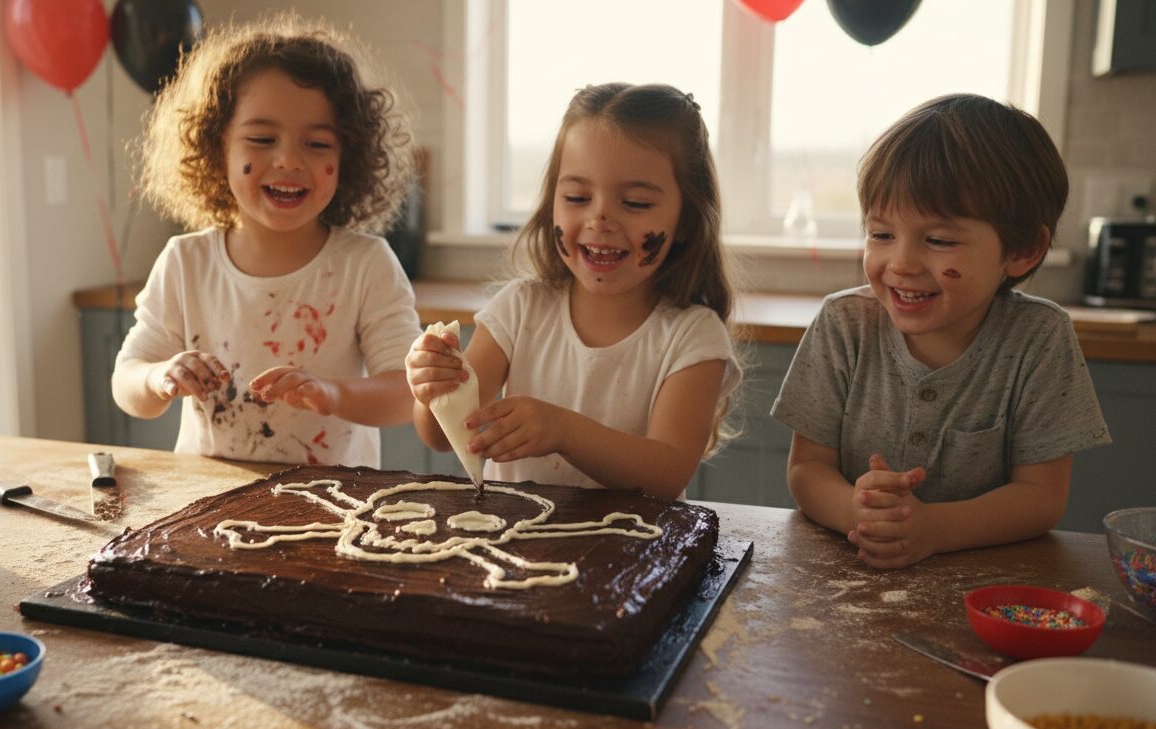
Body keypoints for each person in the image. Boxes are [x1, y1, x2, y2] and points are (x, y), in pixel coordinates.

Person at [771, 93, 1111, 569]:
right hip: (851, 566)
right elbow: (808, 469)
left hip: (983, 582)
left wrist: (934, 529)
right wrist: (863, 513)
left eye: (939, 240)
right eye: (881, 234)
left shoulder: (1039, 338)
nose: (901, 264)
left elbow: (1041, 497)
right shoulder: (844, 323)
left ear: (1023, 251)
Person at [405, 83, 742, 500]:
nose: (600, 217)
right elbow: (443, 437)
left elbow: (667, 473)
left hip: (636, 554)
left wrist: (563, 430)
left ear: (687, 221)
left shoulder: (693, 335)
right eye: (577, 196)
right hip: (516, 549)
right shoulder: (520, 309)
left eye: (635, 202)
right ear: (552, 204)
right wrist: (433, 391)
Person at [112, 15, 422, 466]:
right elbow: (127, 382)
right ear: (219, 149)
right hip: (206, 505)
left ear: (348, 155)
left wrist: (333, 394)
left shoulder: (365, 264)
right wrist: (159, 376)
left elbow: (405, 392)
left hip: (332, 505)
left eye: (317, 144)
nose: (288, 160)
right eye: (261, 138)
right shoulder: (186, 262)